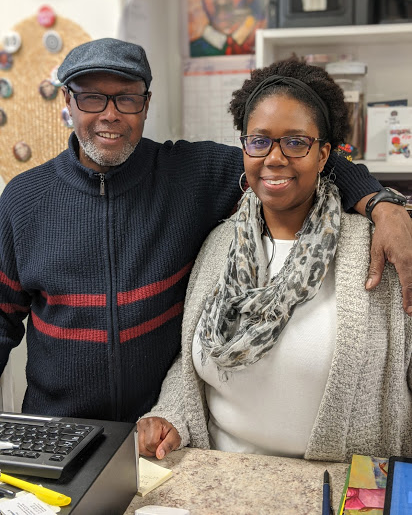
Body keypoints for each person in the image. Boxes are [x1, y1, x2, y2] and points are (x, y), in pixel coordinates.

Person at [0, 38, 410, 424]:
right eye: (92, 97)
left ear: (145, 105)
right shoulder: (23, 200)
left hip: (161, 429)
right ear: (69, 102)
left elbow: (292, 162)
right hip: (54, 426)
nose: (111, 114)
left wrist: (381, 204)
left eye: (126, 98)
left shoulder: (191, 174)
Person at [138, 58, 412, 462]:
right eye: (260, 140)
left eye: (296, 142)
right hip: (220, 474)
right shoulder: (219, 244)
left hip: (333, 486)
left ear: (324, 156)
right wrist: (170, 414)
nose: (275, 157)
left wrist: (388, 207)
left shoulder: (377, 252)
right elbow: (195, 355)